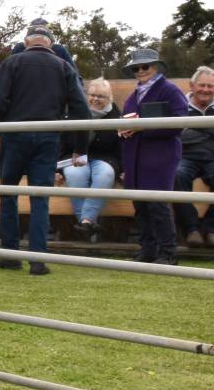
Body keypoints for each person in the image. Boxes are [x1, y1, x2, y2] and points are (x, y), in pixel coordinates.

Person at [0, 25, 89, 275]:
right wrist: (80, 147)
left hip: (14, 135)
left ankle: (10, 255)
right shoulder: (65, 67)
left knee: (8, 194)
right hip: (47, 137)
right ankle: (37, 259)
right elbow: (81, 109)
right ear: (51, 45)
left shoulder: (12, 63)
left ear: (26, 42)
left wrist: (1, 130)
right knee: (40, 198)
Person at [118, 49, 189, 264]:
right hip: (135, 157)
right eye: (135, 68)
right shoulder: (132, 96)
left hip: (161, 155)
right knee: (140, 206)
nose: (140, 71)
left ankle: (168, 252)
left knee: (158, 205)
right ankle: (147, 249)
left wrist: (142, 127)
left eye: (145, 66)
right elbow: (127, 125)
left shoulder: (169, 90)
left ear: (156, 66)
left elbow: (180, 121)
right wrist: (123, 130)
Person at [56, 78, 122, 239]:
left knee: (105, 175)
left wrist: (124, 169)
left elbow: (121, 145)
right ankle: (88, 223)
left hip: (105, 158)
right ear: (86, 95)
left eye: (101, 96)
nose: (95, 99)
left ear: (109, 98)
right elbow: (61, 142)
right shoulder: (74, 111)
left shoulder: (115, 114)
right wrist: (56, 169)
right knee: (75, 175)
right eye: (92, 95)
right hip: (75, 156)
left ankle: (85, 223)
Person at [173, 66, 214, 247]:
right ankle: (191, 230)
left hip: (212, 157)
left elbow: (186, 133)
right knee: (176, 175)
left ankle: (211, 228)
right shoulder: (179, 106)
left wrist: (191, 128)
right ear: (192, 85)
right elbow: (177, 135)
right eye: (202, 85)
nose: (206, 90)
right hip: (185, 156)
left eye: (210, 86)